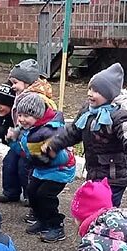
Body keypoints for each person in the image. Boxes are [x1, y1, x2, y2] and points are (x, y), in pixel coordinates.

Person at [44, 63, 127, 207]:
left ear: (110, 95)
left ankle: (109, 228)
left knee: (107, 208)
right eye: (90, 89)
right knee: (92, 206)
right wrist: (55, 144)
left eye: (97, 91)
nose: (90, 94)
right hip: (95, 171)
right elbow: (73, 132)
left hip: (114, 176)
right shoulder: (87, 112)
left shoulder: (120, 117)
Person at [11, 93, 76, 242]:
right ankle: (42, 220)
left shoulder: (52, 131)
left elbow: (62, 157)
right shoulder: (29, 129)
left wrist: (45, 155)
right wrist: (13, 142)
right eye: (20, 115)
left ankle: (56, 226)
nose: (21, 119)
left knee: (45, 195)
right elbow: (25, 154)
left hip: (59, 170)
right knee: (32, 192)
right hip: (41, 168)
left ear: (38, 115)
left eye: (27, 115)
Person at [5, 59, 57, 206]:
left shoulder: (36, 98)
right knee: (9, 161)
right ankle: (10, 191)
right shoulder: (21, 95)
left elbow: (43, 120)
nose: (13, 86)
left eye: (15, 82)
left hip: (34, 138)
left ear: (26, 82)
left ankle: (30, 195)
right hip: (21, 135)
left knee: (25, 166)